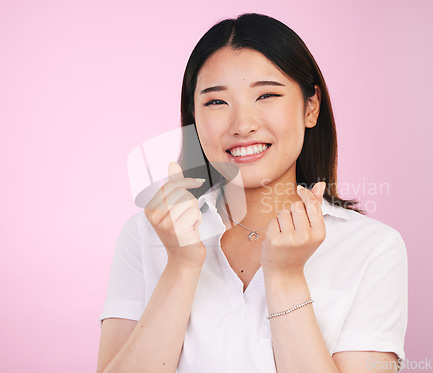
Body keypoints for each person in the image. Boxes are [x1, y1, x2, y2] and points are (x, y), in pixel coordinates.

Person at [97, 13, 408, 373]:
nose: (243, 124)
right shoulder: (144, 236)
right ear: (193, 118)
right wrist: (180, 267)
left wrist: (287, 278)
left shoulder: (373, 248)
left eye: (267, 95)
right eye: (216, 102)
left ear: (311, 107)